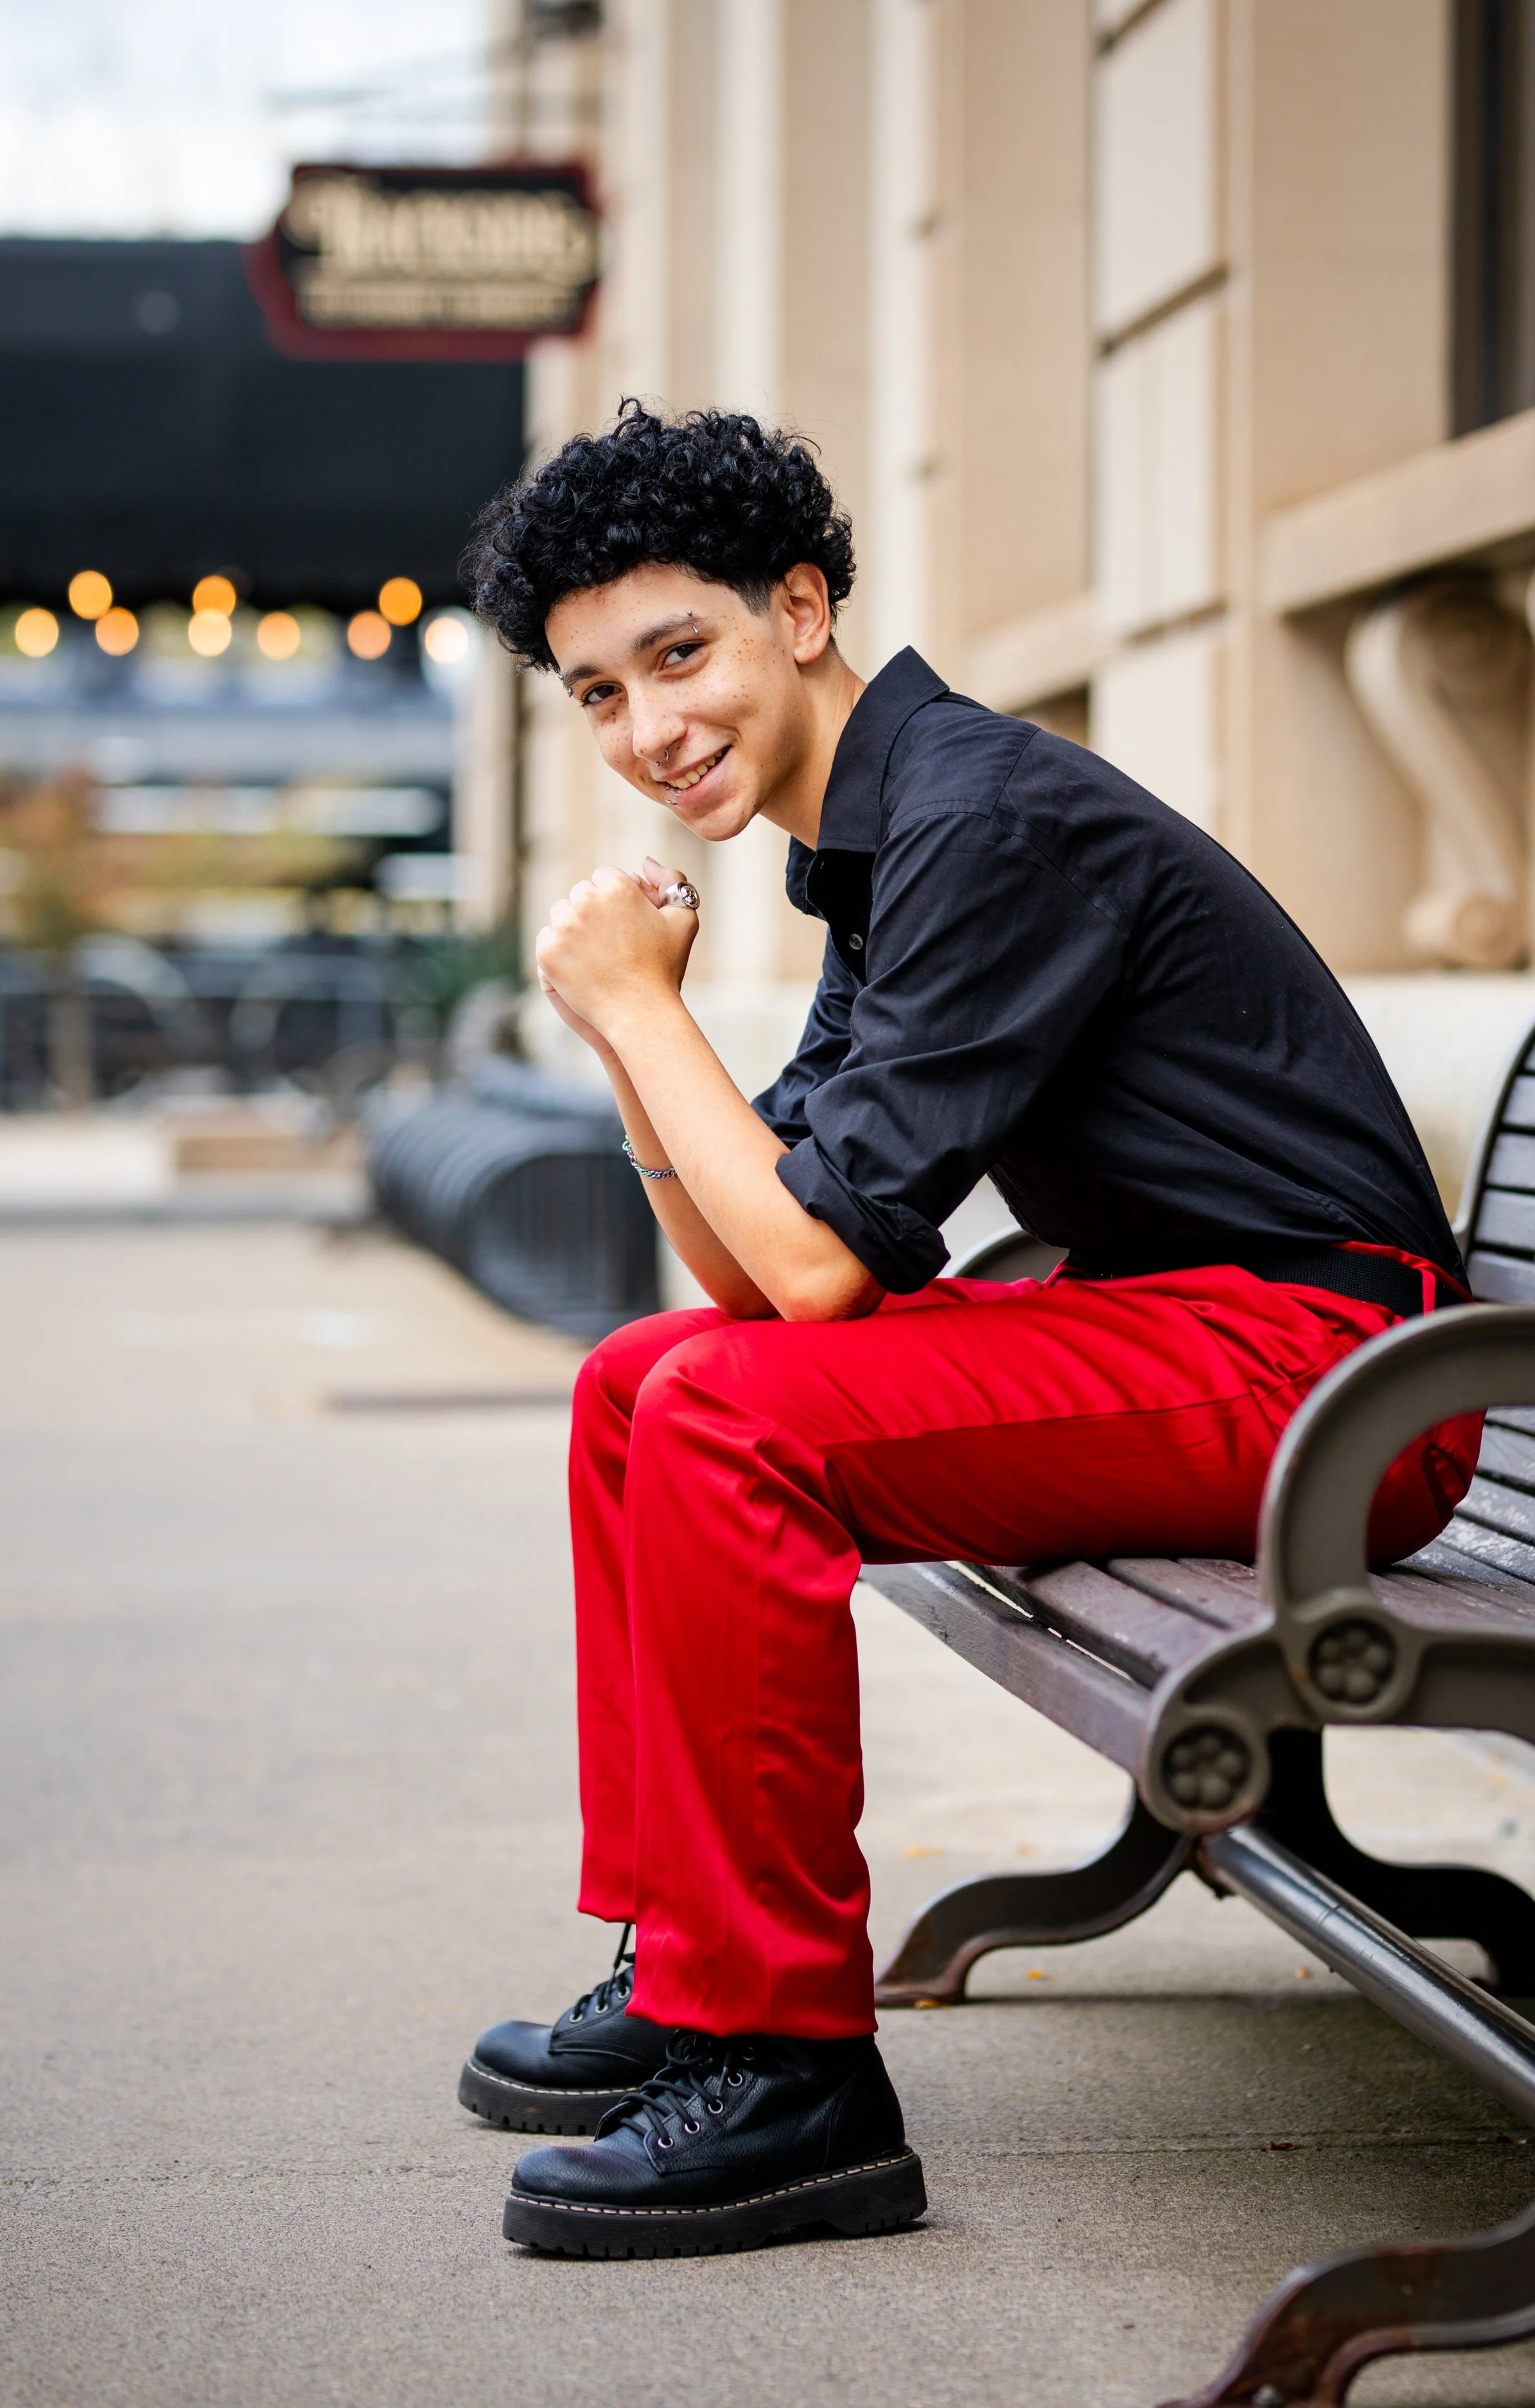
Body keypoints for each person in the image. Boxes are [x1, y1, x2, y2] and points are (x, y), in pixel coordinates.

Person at [453, 401, 1477, 2259]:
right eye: (595, 693)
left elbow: (823, 1277)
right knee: (640, 1386)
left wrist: (639, 1006)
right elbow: (746, 1279)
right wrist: (630, 1038)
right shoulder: (871, 834)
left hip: (1345, 1386)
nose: (647, 728)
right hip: (1199, 1336)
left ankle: (787, 2078)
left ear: (800, 602)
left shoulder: (980, 821)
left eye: (676, 653)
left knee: (722, 1424)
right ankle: (691, 1961)